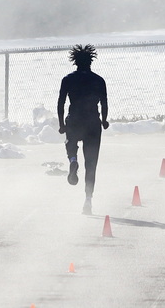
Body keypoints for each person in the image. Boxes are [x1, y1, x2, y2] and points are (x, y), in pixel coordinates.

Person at [57, 44, 109, 215]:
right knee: (91, 164)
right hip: (93, 123)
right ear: (90, 62)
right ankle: (88, 200)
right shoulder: (99, 80)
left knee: (70, 143)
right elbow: (104, 103)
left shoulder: (68, 79)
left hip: (74, 120)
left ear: (75, 62)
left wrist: (61, 124)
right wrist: (104, 120)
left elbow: (61, 103)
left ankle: (72, 160)